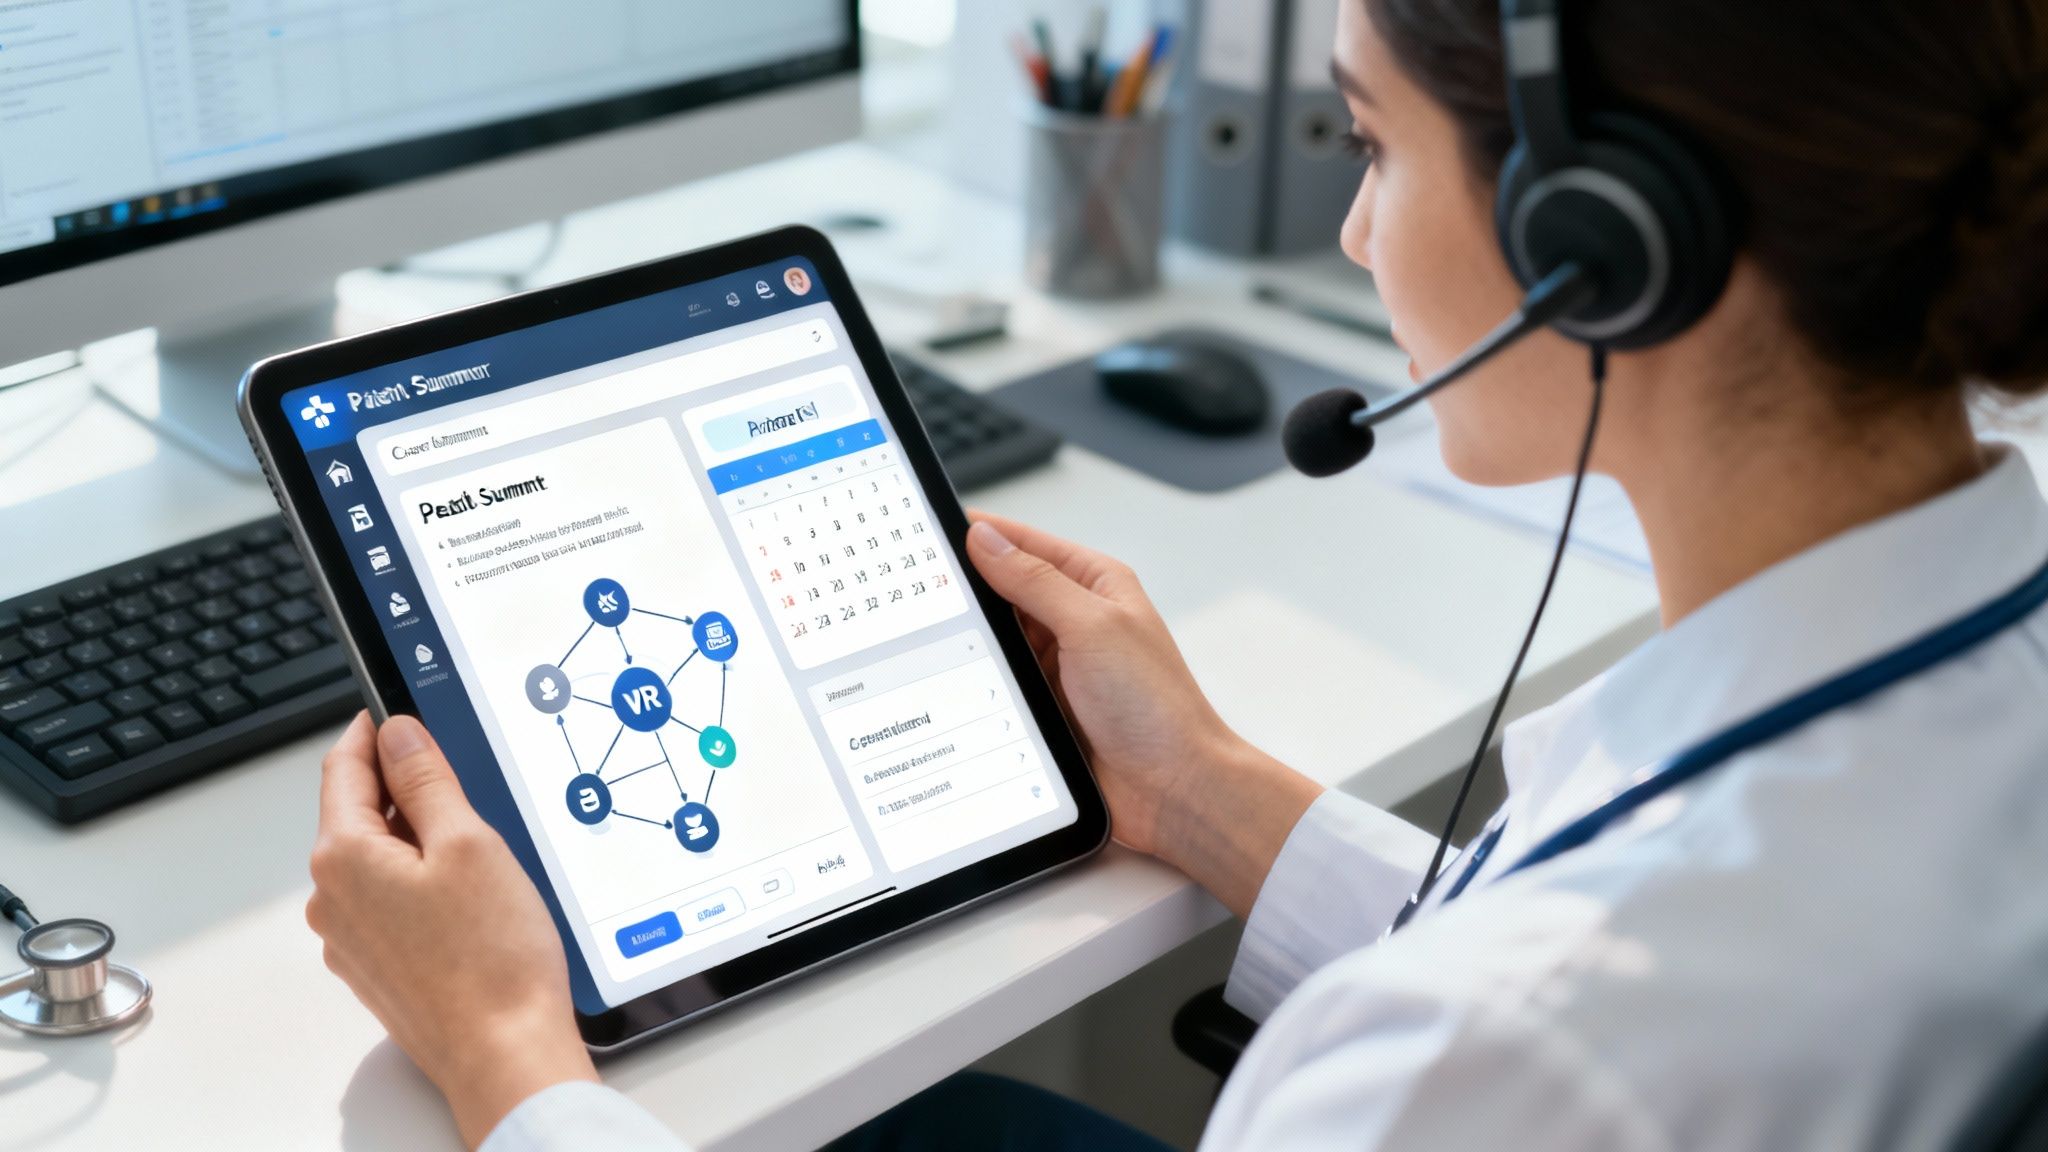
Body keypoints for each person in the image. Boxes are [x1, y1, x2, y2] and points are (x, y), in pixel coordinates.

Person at [305, 1, 2048, 1148]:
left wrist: (508, 1048)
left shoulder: (1508, 1057)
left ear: (1595, 244)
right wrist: (1204, 792)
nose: (1358, 234)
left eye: (1369, 147)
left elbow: (1522, 1042)